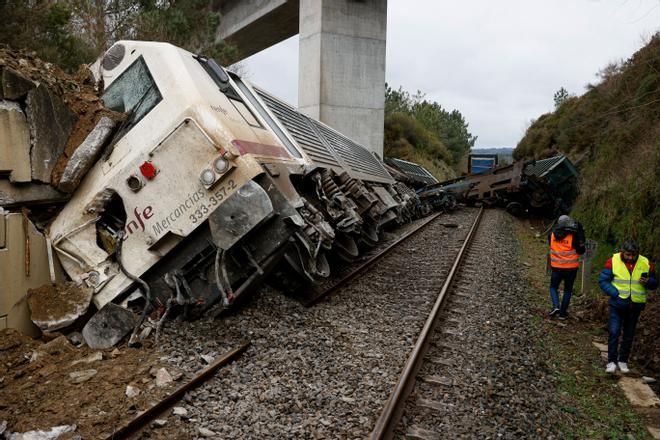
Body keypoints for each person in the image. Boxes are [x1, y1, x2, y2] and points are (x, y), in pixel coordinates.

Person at [599, 240, 657, 374]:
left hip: (635, 305)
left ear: (637, 253)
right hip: (617, 304)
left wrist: (649, 282)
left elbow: (655, 283)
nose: (630, 257)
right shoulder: (612, 261)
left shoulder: (646, 263)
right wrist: (615, 293)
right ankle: (611, 362)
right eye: (628, 254)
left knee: (629, 335)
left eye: (633, 255)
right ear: (622, 252)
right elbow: (603, 280)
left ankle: (623, 360)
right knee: (614, 332)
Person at [547, 215, 585, 319]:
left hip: (556, 267)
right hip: (571, 268)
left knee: (553, 287)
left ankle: (555, 306)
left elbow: (551, 246)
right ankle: (562, 314)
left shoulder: (551, 235)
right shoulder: (573, 236)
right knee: (567, 290)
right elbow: (581, 251)